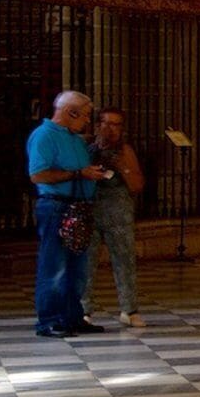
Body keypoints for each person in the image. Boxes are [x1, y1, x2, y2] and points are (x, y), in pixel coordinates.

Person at [27, 91, 108, 340]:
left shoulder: (74, 138)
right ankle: (49, 320)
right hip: (56, 207)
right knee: (55, 266)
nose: (86, 122)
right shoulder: (44, 136)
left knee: (78, 267)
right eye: (83, 116)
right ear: (70, 112)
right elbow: (38, 175)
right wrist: (78, 174)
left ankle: (73, 316)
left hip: (79, 206)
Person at [87, 106, 147, 329]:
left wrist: (123, 167)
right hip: (92, 210)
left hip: (118, 213)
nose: (111, 129)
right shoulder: (87, 149)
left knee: (124, 260)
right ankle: (84, 309)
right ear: (97, 125)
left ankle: (129, 309)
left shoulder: (125, 151)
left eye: (116, 124)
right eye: (106, 123)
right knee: (87, 261)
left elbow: (137, 185)